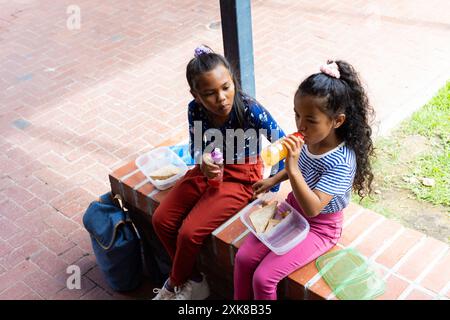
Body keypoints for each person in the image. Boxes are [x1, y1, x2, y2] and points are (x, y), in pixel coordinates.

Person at [151, 45, 286, 300]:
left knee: (190, 232)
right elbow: (196, 146)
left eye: (226, 87)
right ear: (196, 94)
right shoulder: (195, 109)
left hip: (241, 178)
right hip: (208, 170)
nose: (221, 98)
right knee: (161, 220)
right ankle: (194, 280)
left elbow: (285, 144)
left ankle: (173, 284)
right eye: (209, 93)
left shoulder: (249, 109)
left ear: (233, 81)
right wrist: (202, 159)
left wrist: (273, 184)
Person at [233, 60, 375, 300]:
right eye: (297, 115)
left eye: (311, 119)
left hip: (321, 227)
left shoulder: (341, 162)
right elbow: (301, 167)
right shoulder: (311, 139)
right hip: (292, 209)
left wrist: (291, 165)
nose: (301, 125)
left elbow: (313, 207)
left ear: (337, 121)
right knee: (243, 259)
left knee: (264, 278)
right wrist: (273, 179)